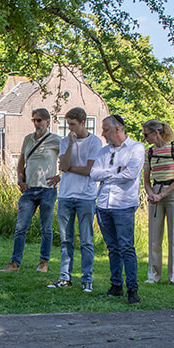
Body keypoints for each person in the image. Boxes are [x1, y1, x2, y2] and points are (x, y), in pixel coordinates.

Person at [89, 115, 145, 304]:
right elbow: (93, 174)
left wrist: (106, 176)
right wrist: (115, 172)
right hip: (103, 204)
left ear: (118, 128)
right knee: (113, 248)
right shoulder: (103, 152)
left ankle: (132, 289)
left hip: (123, 205)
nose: (103, 134)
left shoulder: (136, 148)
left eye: (106, 129)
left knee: (126, 247)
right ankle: (115, 285)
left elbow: (130, 174)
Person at [46, 107, 103, 293]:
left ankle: (87, 278)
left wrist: (69, 168)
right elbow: (63, 165)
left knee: (86, 240)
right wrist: (70, 146)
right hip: (65, 196)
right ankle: (65, 277)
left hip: (85, 197)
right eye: (67, 124)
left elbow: (89, 170)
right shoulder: (65, 141)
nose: (69, 128)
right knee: (65, 240)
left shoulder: (95, 142)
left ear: (82, 123)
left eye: (72, 124)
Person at [0, 108, 61, 273]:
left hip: (47, 190)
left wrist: (59, 176)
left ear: (47, 121)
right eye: (34, 120)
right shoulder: (28, 139)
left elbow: (67, 159)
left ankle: (43, 262)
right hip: (29, 190)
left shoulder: (56, 140)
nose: (36, 123)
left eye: (39, 120)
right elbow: (21, 161)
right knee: (20, 227)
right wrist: (20, 180)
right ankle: (14, 263)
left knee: (46, 228)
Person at [142, 119, 174, 287]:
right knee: (154, 236)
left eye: (146, 134)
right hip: (156, 192)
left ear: (156, 133)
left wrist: (163, 194)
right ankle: (153, 275)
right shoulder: (150, 153)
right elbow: (146, 179)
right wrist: (152, 193)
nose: (145, 137)